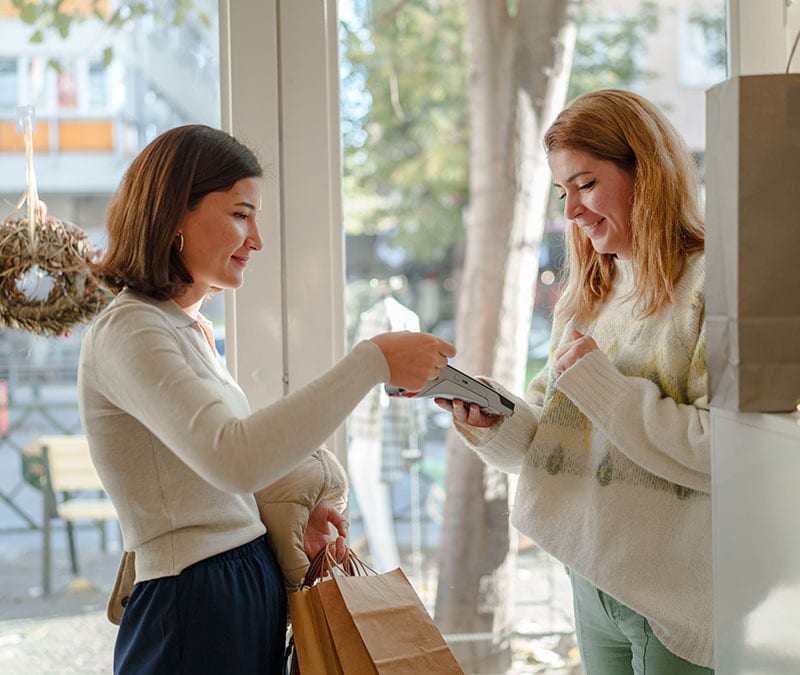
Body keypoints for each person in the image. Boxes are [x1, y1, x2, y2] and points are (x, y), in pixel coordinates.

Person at [77, 124, 455, 674]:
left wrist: (297, 515)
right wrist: (371, 362)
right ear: (173, 213)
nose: (256, 239)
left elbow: (216, 483)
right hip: (195, 599)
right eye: (239, 213)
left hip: (232, 587)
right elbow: (234, 457)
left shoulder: (181, 328)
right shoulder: (132, 331)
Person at [437, 89, 712, 673]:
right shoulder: (590, 294)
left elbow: (725, 452)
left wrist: (600, 385)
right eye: (563, 192)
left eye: (585, 185)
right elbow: (553, 439)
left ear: (649, 173)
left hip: (682, 599)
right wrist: (496, 420)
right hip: (593, 582)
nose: (571, 213)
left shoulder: (711, 285)